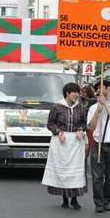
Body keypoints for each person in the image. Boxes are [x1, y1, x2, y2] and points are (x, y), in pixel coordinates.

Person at [41, 82, 87, 210]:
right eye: (75, 92)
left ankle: (75, 199)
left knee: (75, 170)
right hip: (62, 140)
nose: (77, 95)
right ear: (67, 93)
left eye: (78, 92)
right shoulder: (57, 107)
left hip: (76, 141)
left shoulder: (80, 108)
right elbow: (50, 124)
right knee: (63, 170)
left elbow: (84, 123)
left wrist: (80, 130)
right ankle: (65, 199)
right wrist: (58, 132)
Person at [87, 80, 110, 213]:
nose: (98, 90)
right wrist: (98, 112)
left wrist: (106, 105)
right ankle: (98, 202)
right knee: (97, 176)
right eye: (97, 88)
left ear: (108, 88)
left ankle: (107, 200)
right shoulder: (93, 108)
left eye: (101, 87)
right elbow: (91, 127)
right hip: (98, 144)